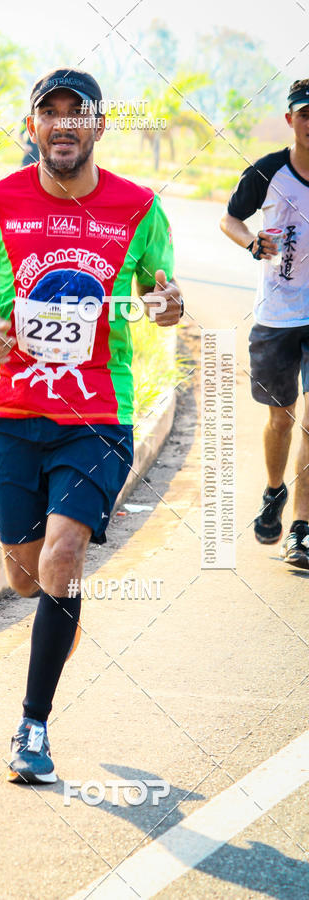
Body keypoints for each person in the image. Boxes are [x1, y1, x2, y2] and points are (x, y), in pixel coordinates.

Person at [0, 68, 183, 784]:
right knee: (28, 577)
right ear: (33, 127)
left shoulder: (139, 209)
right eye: (49, 113)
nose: (63, 124)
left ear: (97, 128)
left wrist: (166, 304)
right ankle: (60, 613)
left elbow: (160, 292)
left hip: (96, 414)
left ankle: (33, 726)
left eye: (76, 114)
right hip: (8, 413)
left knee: (63, 554)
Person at [220, 79, 309, 569]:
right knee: (281, 418)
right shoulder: (269, 171)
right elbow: (230, 219)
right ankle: (274, 490)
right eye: (306, 113)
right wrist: (252, 242)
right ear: (291, 119)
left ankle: (301, 528)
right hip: (276, 318)